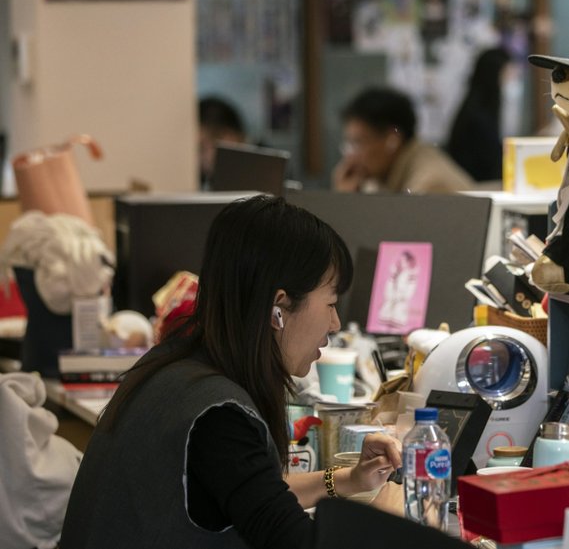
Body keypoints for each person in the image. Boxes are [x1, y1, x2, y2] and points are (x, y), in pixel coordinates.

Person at [60, 195, 403, 548]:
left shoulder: (175, 368)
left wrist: (349, 480)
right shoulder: (219, 417)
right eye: (330, 304)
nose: (335, 323)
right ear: (278, 307)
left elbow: (258, 495)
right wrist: (393, 520)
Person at [332, 87, 474, 194]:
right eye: (349, 144)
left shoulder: (429, 186)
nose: (350, 155)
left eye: (358, 143)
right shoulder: (389, 176)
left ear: (392, 141)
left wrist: (348, 204)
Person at [445, 46, 511, 183]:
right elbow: (491, 159)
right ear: (495, 73)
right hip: (474, 185)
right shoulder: (479, 114)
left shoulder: (477, 104)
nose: (509, 79)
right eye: (506, 73)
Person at [199, 96, 247, 186]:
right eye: (201, 148)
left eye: (215, 142)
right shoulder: (198, 179)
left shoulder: (269, 168)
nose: (208, 156)